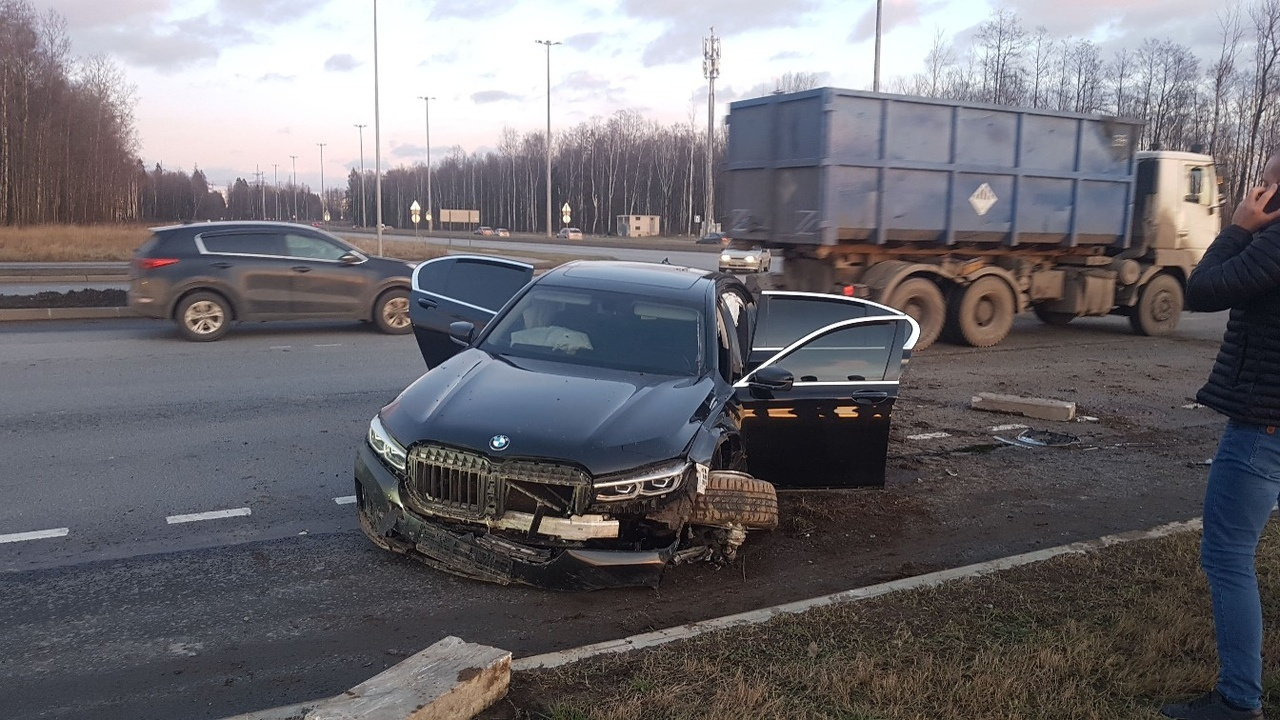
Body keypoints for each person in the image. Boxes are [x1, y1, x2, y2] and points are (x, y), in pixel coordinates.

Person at [1162, 153, 1280, 720]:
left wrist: (1237, 227)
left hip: (1265, 423)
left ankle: (1239, 701)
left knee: (1228, 555)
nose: (1258, 188)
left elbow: (1203, 291)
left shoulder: (1274, 243)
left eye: (1267, 181)